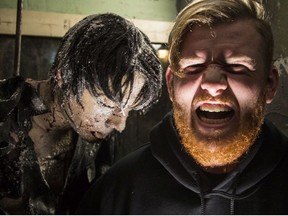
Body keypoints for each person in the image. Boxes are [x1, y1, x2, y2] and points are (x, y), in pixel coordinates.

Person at [76, 0, 288, 214]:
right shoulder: (115, 195)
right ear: (170, 84)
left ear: (270, 84)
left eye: (237, 66)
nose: (212, 84)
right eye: (194, 66)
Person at [0, 13, 162, 214]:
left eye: (130, 109)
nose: (120, 124)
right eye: (105, 103)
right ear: (64, 75)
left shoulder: (99, 139)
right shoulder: (5, 108)